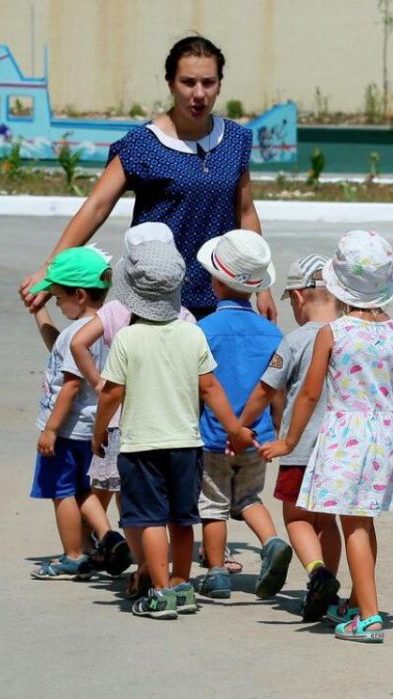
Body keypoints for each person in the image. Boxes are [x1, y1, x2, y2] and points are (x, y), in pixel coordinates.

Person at [19, 35, 276, 321]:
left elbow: (245, 212)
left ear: (219, 85)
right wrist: (49, 269)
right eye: (188, 82)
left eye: (208, 82)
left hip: (222, 297)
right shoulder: (142, 144)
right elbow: (96, 207)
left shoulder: (234, 140)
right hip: (155, 299)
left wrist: (260, 286)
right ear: (170, 83)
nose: (199, 93)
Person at [260, 230, 393, 643]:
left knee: (354, 526)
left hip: (345, 435)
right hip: (383, 434)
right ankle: (356, 599)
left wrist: (288, 442)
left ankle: (368, 617)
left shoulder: (335, 333)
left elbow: (310, 393)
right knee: (363, 522)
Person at [92, 242, 255, 618]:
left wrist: (100, 432)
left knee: (149, 518)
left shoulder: (128, 339)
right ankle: (182, 584)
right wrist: (233, 427)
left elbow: (112, 392)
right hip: (186, 444)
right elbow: (210, 387)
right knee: (183, 519)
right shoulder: (191, 333)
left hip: (140, 445)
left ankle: (161, 590)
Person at [70, 222, 198, 595]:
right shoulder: (185, 318)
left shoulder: (114, 313)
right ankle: (166, 576)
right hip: (174, 426)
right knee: (173, 513)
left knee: (138, 509)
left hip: (122, 426)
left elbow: (79, 343)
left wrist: (97, 381)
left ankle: (146, 569)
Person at [238, 254, 343, 621]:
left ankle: (317, 573)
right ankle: (331, 591)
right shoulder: (350, 335)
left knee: (297, 517)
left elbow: (265, 391)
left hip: (302, 447)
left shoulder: (295, 340)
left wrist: (241, 426)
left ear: (298, 298)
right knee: (327, 521)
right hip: (340, 449)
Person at [193, 229, 290, 601]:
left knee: (213, 504)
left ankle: (217, 573)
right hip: (257, 438)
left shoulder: (203, 330)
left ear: (217, 283)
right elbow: (276, 390)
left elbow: (198, 386)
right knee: (249, 498)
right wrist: (274, 431)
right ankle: (271, 542)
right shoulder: (271, 332)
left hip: (215, 435)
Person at [27, 246, 128, 580]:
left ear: (80, 295)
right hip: (96, 427)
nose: (55, 303)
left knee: (62, 492)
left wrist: (50, 430)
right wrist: (40, 314)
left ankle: (74, 554)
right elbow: (59, 348)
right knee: (85, 492)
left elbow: (69, 387)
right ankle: (109, 538)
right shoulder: (107, 326)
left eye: (57, 298)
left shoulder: (76, 334)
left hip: (69, 430)